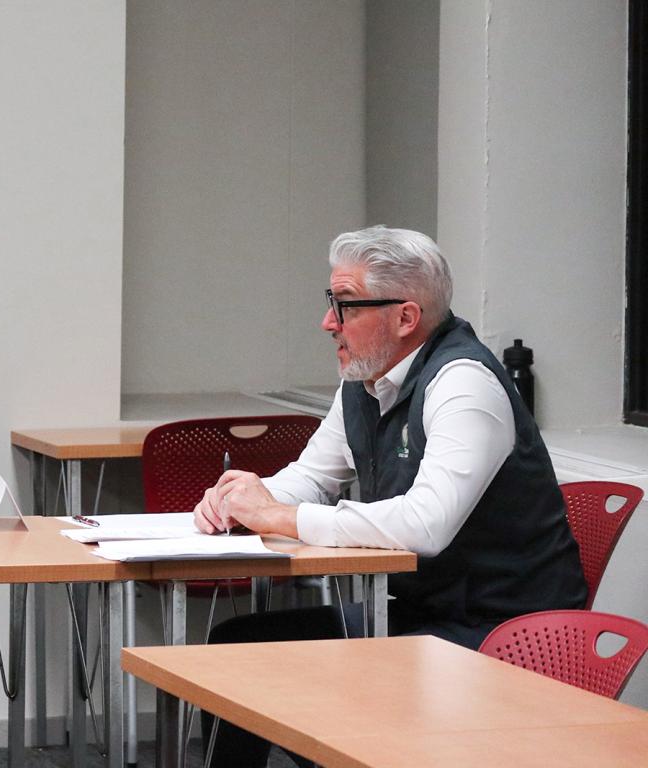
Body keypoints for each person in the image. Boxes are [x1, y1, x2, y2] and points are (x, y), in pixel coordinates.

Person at [191, 226, 586, 766]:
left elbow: (426, 526)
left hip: (499, 627)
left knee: (318, 689)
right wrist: (242, 497)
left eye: (346, 305)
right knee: (240, 647)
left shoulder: (464, 383)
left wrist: (281, 514)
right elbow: (310, 477)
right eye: (330, 302)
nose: (328, 322)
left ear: (405, 317)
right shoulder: (365, 377)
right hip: (421, 613)